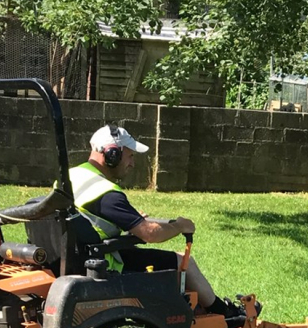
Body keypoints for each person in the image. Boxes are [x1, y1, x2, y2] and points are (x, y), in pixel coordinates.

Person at [69, 124, 243, 318]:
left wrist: (129, 222)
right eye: (130, 156)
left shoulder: (70, 177)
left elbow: (90, 219)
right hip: (105, 267)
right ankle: (226, 316)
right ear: (112, 155)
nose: (132, 163)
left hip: (77, 258)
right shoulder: (106, 193)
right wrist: (179, 226)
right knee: (183, 261)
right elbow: (151, 233)